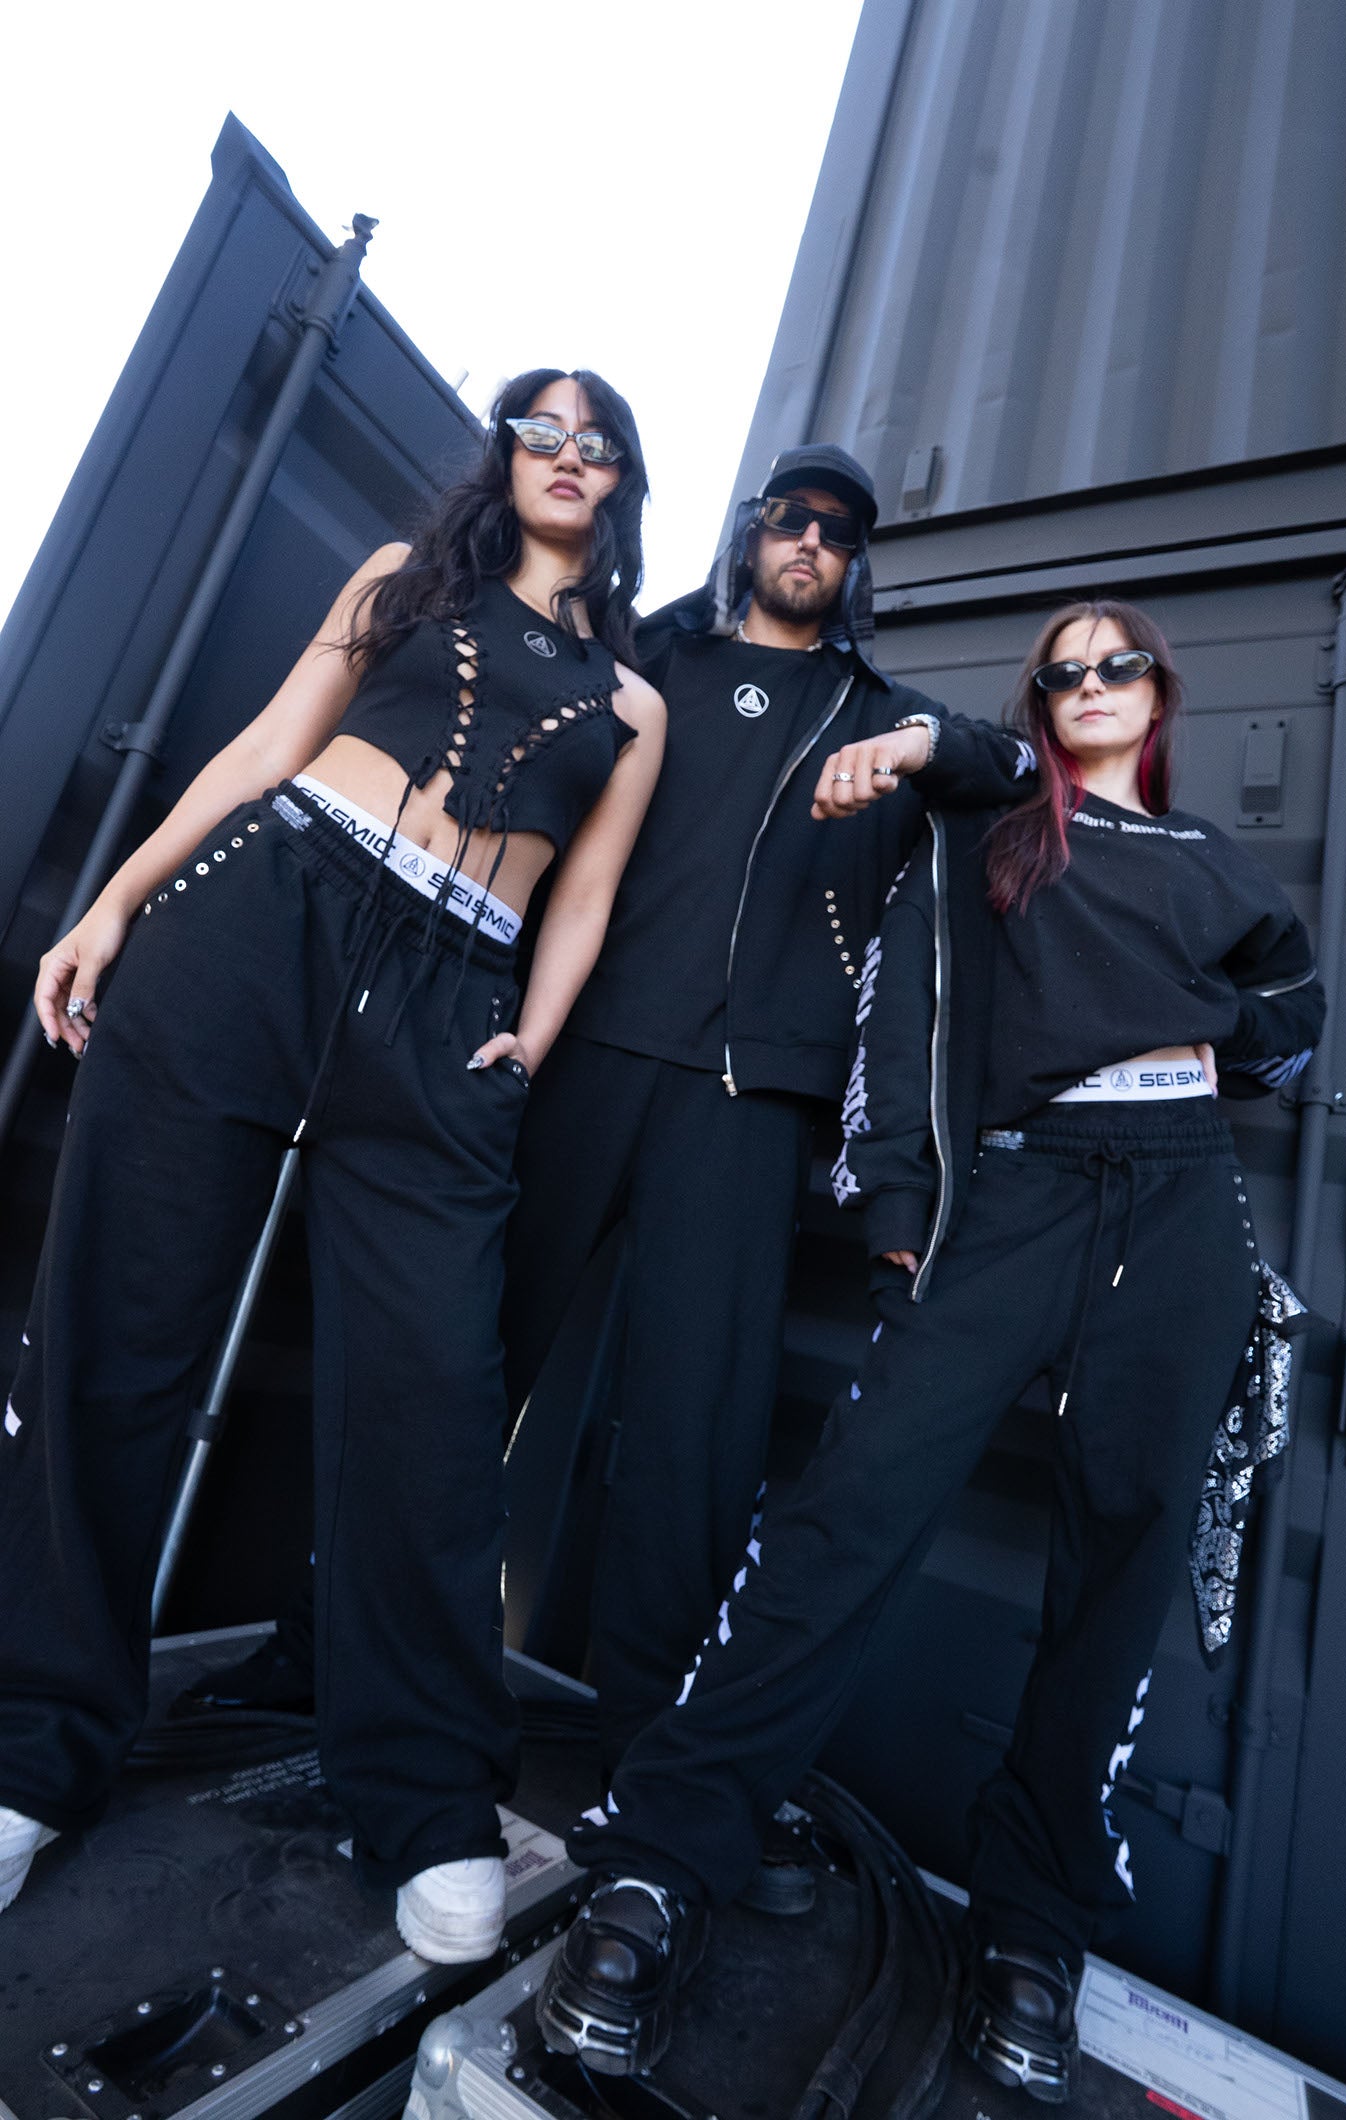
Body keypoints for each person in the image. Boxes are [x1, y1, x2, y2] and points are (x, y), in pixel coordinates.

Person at [533, 599, 1325, 2101]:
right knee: (848, 1516)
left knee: (1124, 1555)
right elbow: (898, 1018)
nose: (1092, 683)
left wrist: (1200, 1021)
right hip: (1017, 1194)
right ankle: (662, 1861)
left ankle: (1033, 1932)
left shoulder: (1211, 859)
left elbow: (1292, 1024)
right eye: (1063, 671)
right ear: (1040, 704)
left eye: (1119, 664)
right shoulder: (994, 827)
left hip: (1182, 1210)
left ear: (1159, 692)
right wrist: (898, 1202)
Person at [0, 368, 665, 1962]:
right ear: (505, 456)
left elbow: (582, 900)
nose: (566, 456)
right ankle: (30, 1747)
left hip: (454, 1003)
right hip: (266, 915)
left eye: (597, 443)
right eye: (541, 429)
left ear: (621, 484)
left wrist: (530, 1042)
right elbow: (265, 748)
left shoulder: (637, 710)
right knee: (119, 1332)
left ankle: (426, 1798)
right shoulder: (399, 579)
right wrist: (115, 903)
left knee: (431, 1400)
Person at [499, 444, 1038, 1780]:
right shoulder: (650, 662)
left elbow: (1020, 770)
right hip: (581, 1058)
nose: (810, 542)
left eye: (837, 533)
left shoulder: (879, 713)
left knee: (695, 1429)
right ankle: (342, 1635)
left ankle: (644, 1749)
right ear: (752, 532)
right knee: (465, 1350)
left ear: (855, 567)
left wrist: (919, 744)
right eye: (791, 519)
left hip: (746, 1101)